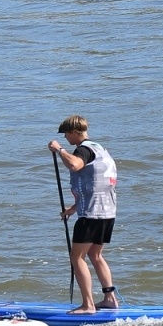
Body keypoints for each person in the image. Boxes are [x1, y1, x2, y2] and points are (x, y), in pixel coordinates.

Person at [48, 116, 118, 314]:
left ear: (73, 132)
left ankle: (88, 305)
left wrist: (59, 149)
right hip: (107, 212)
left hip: (91, 215)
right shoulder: (100, 148)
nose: (66, 139)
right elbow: (97, 184)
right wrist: (73, 208)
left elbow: (75, 166)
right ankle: (110, 299)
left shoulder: (84, 149)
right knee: (95, 255)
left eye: (66, 135)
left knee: (76, 257)